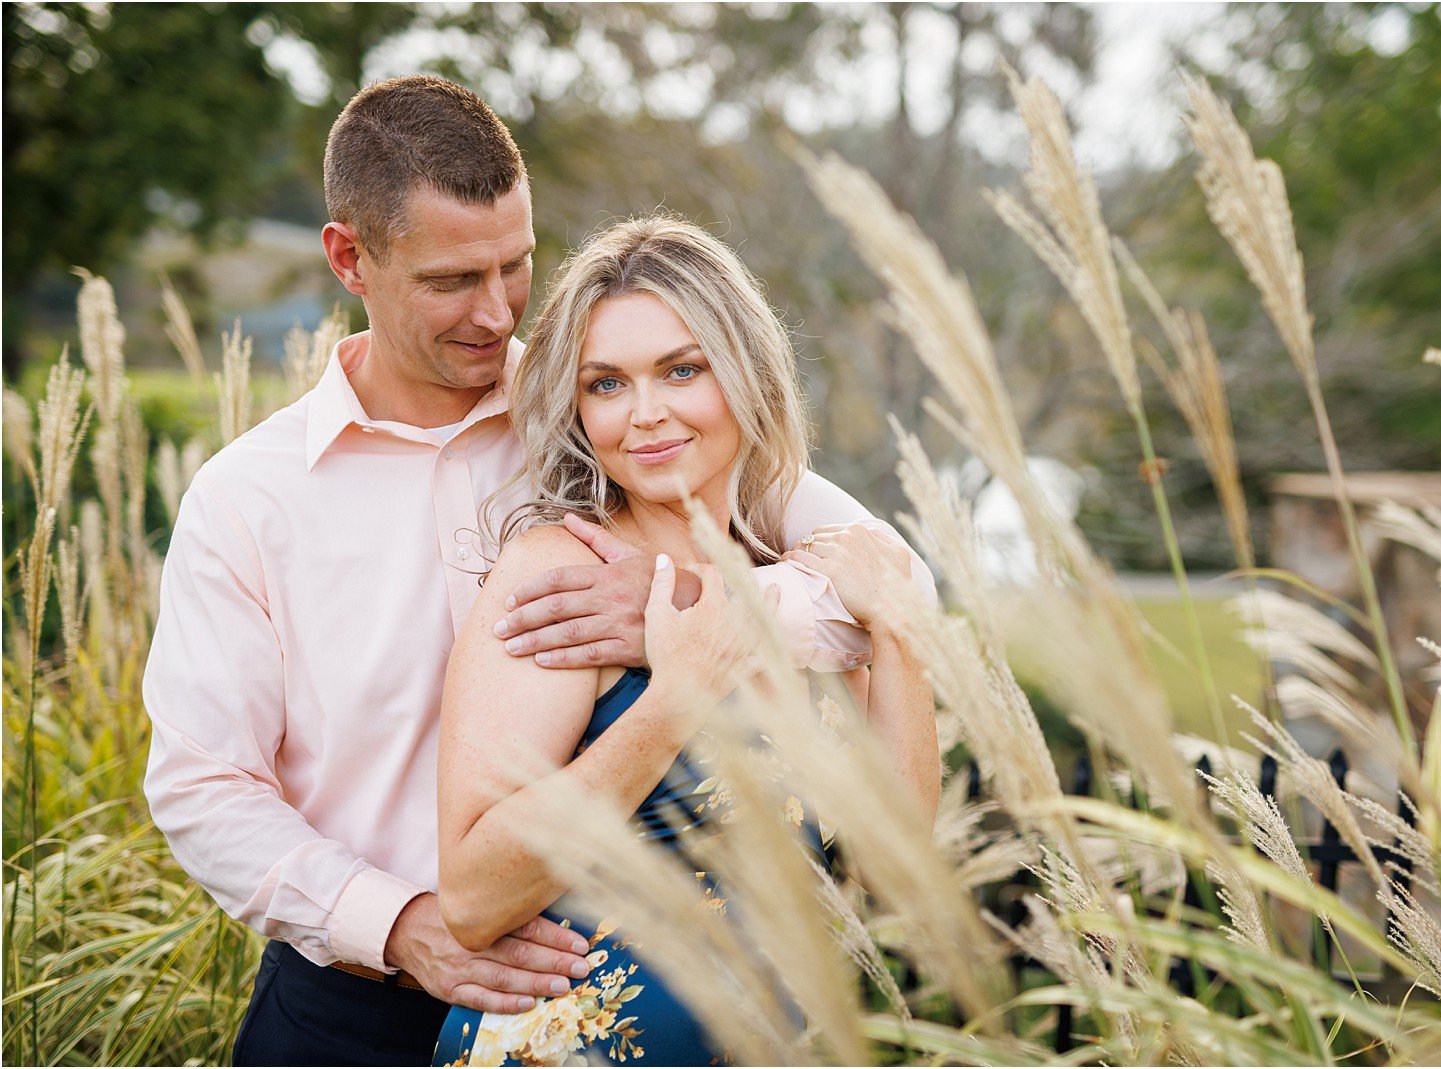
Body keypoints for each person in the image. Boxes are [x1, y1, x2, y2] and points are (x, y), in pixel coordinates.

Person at [141, 75, 931, 1066]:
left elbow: (891, 580)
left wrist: (677, 612)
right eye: (449, 281)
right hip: (351, 1003)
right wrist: (398, 923)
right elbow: (203, 787)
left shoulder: (603, 411)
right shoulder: (246, 497)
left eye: (515, 266)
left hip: (637, 989)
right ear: (351, 259)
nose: (495, 311)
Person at [430, 216, 940, 1067]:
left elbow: (895, 873)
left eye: (682, 369)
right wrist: (672, 701)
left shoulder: (803, 593)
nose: (646, 415)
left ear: (746, 374)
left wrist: (895, 632)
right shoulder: (563, 573)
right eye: (606, 384)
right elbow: (475, 896)